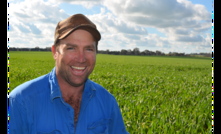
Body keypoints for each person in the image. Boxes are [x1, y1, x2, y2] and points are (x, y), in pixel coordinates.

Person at [9, 14, 129, 134]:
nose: (81, 58)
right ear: (55, 52)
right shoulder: (20, 101)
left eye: (88, 49)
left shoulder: (107, 101)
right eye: (71, 48)